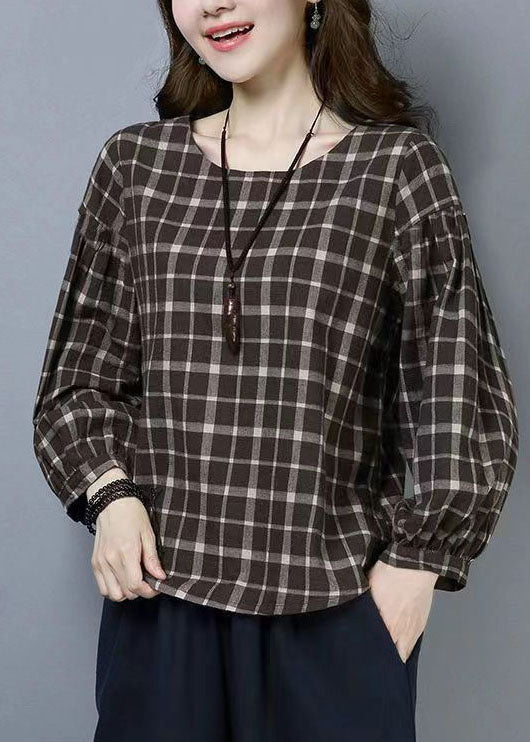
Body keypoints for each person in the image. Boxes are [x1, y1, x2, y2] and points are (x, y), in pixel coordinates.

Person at [31, 1, 519, 741]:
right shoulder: (136, 168)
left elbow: (457, 382)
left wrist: (417, 566)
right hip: (163, 609)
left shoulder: (395, 170)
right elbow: (78, 376)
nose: (213, 4)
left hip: (331, 614)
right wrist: (111, 496)